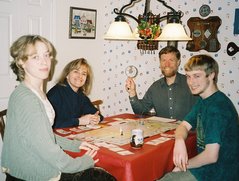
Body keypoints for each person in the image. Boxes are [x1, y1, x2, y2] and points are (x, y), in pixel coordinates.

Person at [1, 35, 116, 181]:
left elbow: (45, 135)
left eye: (47, 55)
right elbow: (49, 151)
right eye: (35, 56)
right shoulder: (27, 98)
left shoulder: (36, 93)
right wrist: (84, 162)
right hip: (32, 174)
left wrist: (77, 145)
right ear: (21, 62)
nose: (44, 61)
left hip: (39, 167)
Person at [159, 55, 239, 181]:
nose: (191, 82)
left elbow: (211, 156)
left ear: (211, 75)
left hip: (218, 173)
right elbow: (184, 125)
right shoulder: (204, 100)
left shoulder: (217, 107)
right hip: (208, 168)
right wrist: (179, 140)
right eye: (188, 76)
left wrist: (182, 166)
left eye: (197, 76)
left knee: (166, 176)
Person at [125, 46, 198, 120]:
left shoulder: (191, 83)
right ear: (160, 63)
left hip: (188, 131)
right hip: (163, 131)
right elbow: (140, 112)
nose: (167, 64)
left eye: (171, 60)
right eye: (163, 60)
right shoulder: (155, 87)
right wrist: (132, 92)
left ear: (178, 62)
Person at [47, 58, 103, 129]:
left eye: (84, 74)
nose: (80, 76)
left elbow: (96, 114)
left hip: (72, 136)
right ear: (67, 75)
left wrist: (96, 118)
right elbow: (50, 124)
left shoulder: (81, 95)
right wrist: (79, 121)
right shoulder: (55, 93)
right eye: (76, 71)